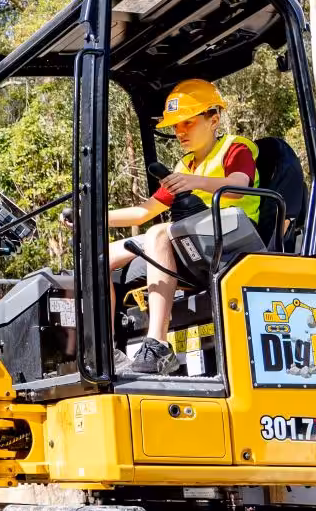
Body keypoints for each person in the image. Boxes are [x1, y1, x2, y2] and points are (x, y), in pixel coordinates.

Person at [108, 78, 260, 376]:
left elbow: (240, 186)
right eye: (175, 126)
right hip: (191, 239)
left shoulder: (234, 149)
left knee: (158, 233)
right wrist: (91, 217)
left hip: (234, 237)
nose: (179, 132)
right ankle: (109, 349)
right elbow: (144, 211)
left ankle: (158, 345)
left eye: (187, 122)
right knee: (103, 256)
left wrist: (195, 183)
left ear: (213, 120)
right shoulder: (183, 166)